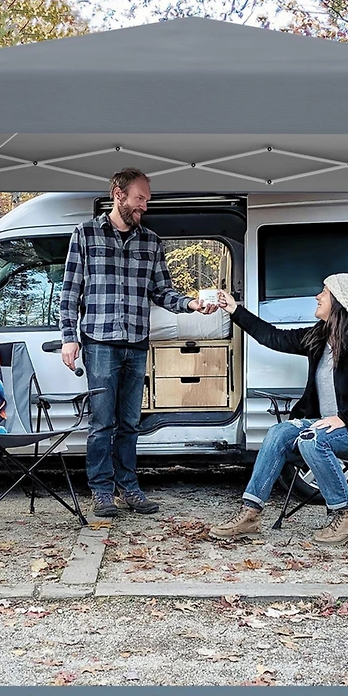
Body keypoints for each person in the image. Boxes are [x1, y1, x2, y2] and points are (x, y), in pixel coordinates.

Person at [59, 168, 215, 518]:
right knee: (101, 423)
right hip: (99, 342)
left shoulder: (151, 242)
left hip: (136, 344)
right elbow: (69, 294)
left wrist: (191, 304)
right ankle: (102, 491)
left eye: (147, 199)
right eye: (139, 198)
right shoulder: (85, 234)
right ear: (118, 195)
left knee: (130, 423)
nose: (144, 205)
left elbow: (162, 291)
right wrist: (69, 338)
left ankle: (128, 487)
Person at [209, 273, 348, 545]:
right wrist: (234, 310)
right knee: (278, 432)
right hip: (324, 424)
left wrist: (344, 418)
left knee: (312, 440)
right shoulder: (319, 336)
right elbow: (273, 337)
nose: (318, 296)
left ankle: (347, 515)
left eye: (324, 292)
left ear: (339, 301)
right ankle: (250, 514)